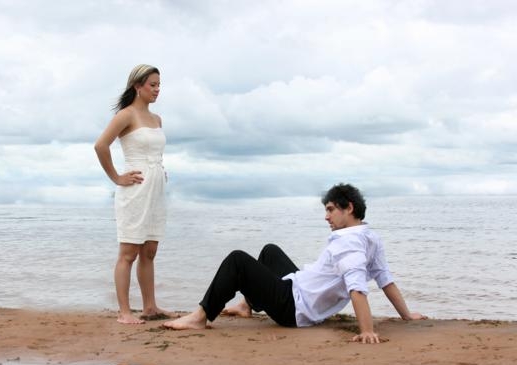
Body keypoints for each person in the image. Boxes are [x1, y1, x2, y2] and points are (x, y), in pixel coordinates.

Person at [163, 183, 427, 343]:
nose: (326, 217)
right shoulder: (370, 236)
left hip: (294, 308)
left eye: (331, 209)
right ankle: (247, 305)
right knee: (270, 251)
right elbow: (385, 279)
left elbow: (357, 287)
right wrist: (406, 316)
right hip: (299, 289)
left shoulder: (348, 243)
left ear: (349, 208)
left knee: (237, 261)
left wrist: (367, 331)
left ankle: (200, 317)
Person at [95, 64, 176, 324]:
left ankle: (150, 307)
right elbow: (100, 146)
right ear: (137, 87)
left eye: (159, 85)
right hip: (134, 190)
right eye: (152, 85)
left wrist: (160, 170)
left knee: (149, 250)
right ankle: (124, 312)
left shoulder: (157, 119)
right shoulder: (126, 115)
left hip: (155, 190)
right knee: (129, 251)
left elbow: (155, 152)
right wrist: (117, 177)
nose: (157, 89)